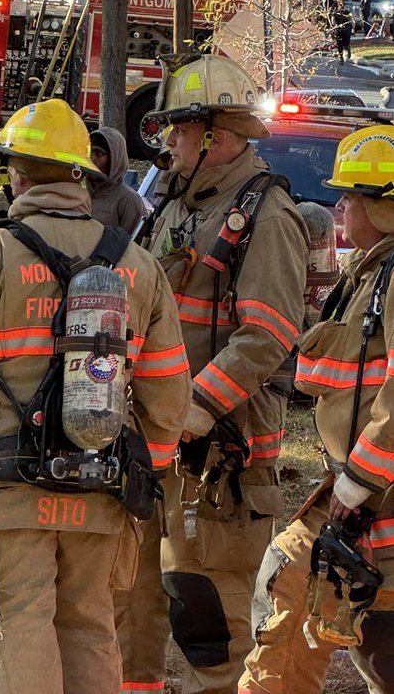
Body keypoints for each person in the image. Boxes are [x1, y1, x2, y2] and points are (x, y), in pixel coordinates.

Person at [0, 98, 191, 694]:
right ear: (80, 176)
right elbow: (169, 388)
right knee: (91, 626)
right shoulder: (138, 266)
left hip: (9, 489)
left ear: (16, 172)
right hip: (104, 490)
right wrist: (148, 475)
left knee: (24, 621)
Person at [115, 53, 308, 694]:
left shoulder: (266, 217)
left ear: (216, 139)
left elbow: (269, 334)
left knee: (209, 618)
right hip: (153, 443)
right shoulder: (176, 204)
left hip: (221, 456)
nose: (167, 141)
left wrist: (195, 405)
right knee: (133, 598)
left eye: (179, 130)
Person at [240, 126, 394, 694]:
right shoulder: (371, 275)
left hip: (373, 497)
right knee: (292, 594)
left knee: (375, 649)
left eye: (351, 196)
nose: (340, 206)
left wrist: (358, 482)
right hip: (355, 493)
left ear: (383, 205)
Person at [87, 126, 148, 233]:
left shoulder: (128, 201)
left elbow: (136, 245)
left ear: (115, 160)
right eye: (89, 152)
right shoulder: (78, 193)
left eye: (99, 153)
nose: (92, 159)